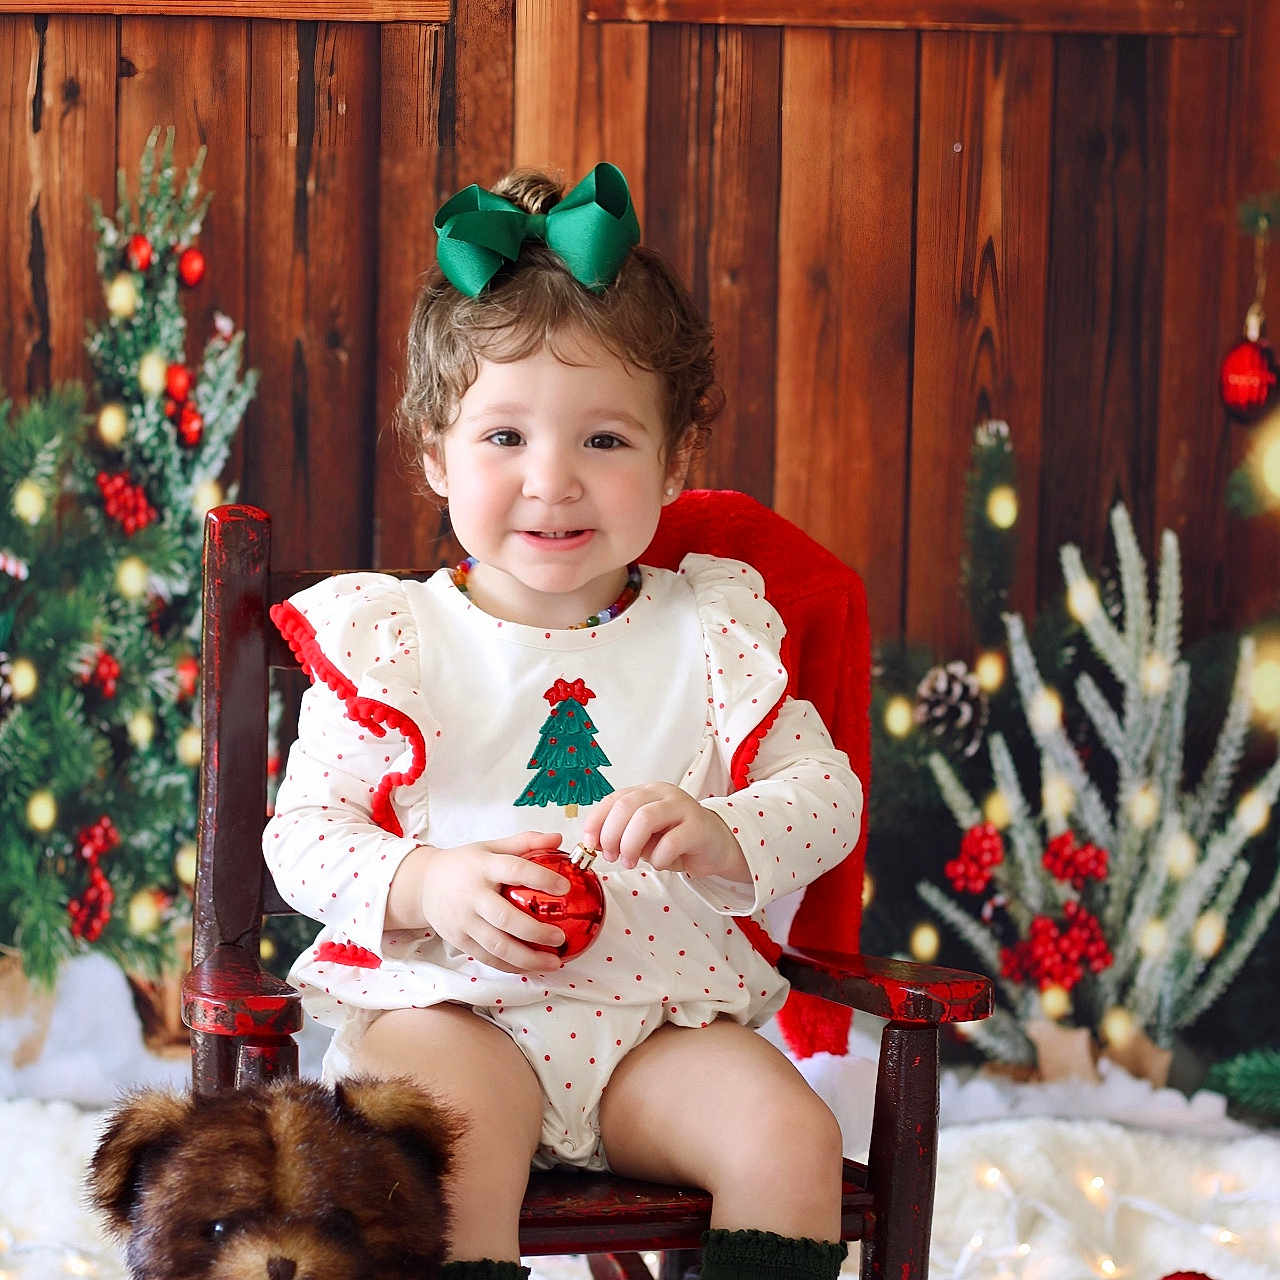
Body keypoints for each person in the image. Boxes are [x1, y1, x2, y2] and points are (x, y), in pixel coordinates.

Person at [265, 161, 864, 1280]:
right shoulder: (391, 642)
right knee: (446, 1138)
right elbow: (302, 832)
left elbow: (825, 795)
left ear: (673, 458)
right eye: (503, 438)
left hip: (658, 1028)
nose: (553, 481)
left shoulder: (715, 632)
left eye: (603, 439)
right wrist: (426, 883)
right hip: (454, 1010)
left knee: (792, 1134)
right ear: (435, 451)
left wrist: (723, 826)